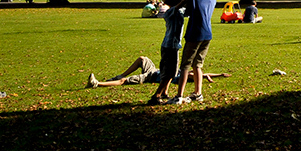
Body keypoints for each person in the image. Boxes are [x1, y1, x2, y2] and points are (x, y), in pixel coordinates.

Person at [169, 0, 216, 105]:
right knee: (198, 64)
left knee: (185, 65)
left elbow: (186, 11)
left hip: (194, 33)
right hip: (208, 34)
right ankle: (198, 92)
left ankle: (179, 95)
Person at [87, 56, 230, 89]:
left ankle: (97, 84)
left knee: (125, 82)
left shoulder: (179, 78)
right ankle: (121, 75)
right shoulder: (184, 72)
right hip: (154, 70)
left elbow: (199, 74)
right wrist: (220, 75)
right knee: (142, 59)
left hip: (151, 76)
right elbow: (202, 73)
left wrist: (206, 77)